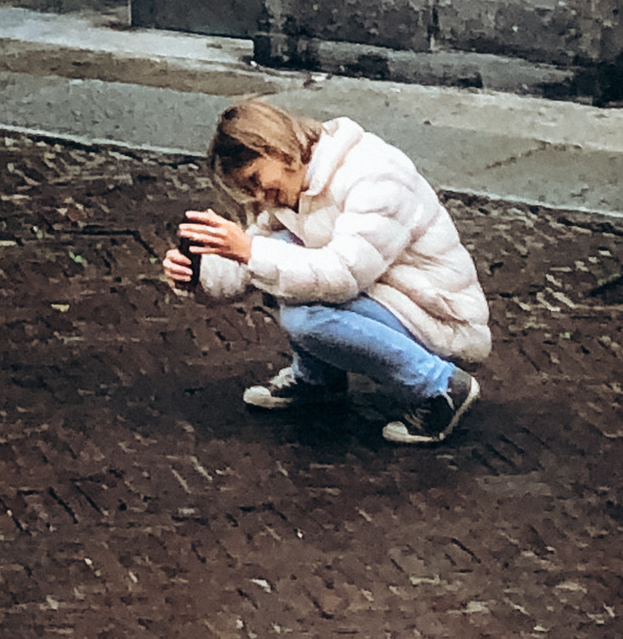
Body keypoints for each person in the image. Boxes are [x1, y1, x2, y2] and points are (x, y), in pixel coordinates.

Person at [163, 97, 490, 446]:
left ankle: (441, 386)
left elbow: (343, 275)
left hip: (441, 317)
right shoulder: (293, 184)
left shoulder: (375, 175)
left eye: (255, 179)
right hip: (388, 298)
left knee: (306, 317)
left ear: (275, 149)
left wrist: (249, 250)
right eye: (248, 189)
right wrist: (199, 273)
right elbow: (255, 259)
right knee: (283, 255)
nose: (259, 195)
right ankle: (318, 378)